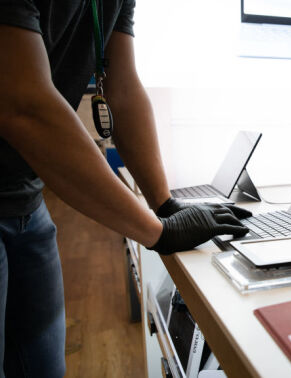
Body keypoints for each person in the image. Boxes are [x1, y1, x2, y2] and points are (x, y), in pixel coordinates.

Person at [0, 1, 250, 376]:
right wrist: (158, 232)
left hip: (26, 202)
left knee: (43, 367)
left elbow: (124, 88)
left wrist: (163, 203)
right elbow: (24, 106)